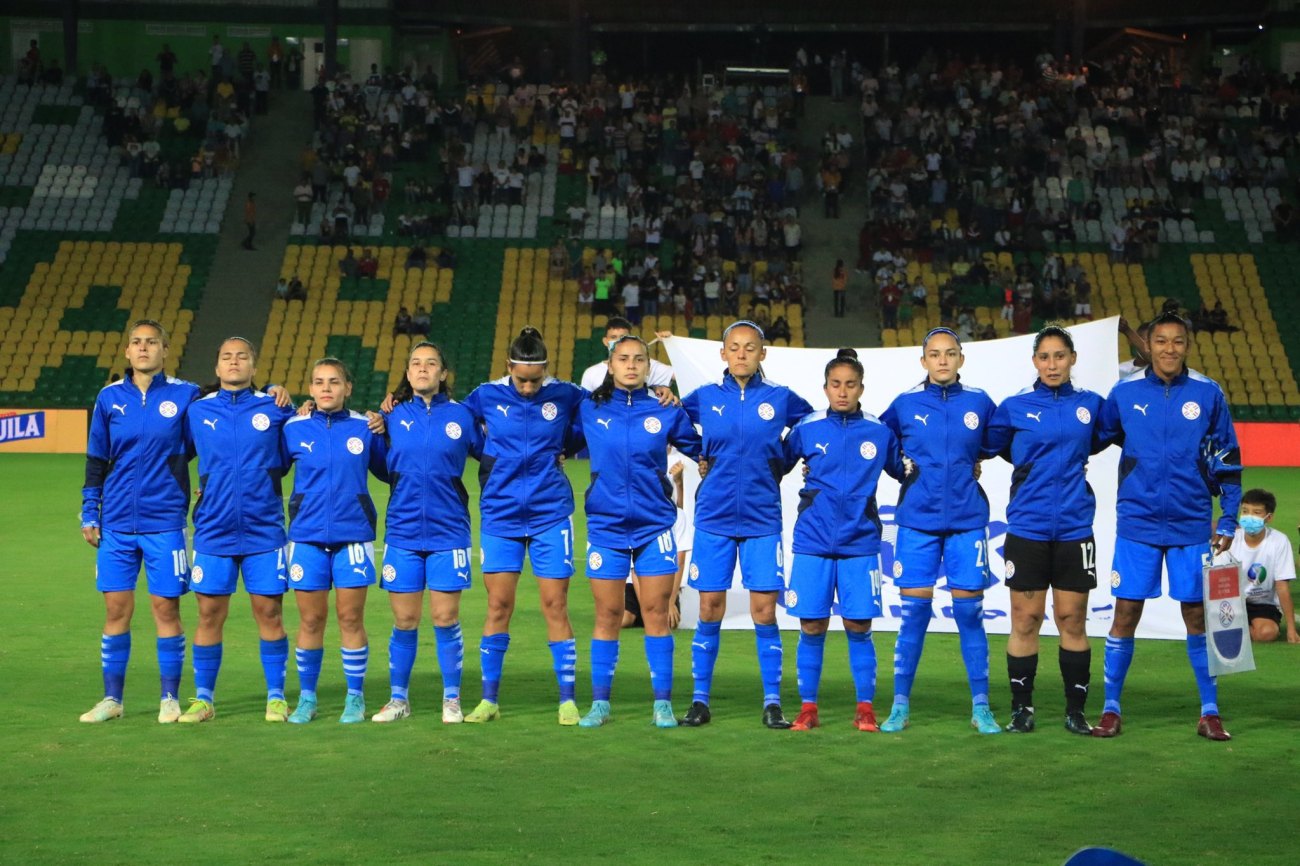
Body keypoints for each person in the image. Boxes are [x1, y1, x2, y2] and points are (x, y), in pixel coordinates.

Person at [1094, 310, 1242, 740]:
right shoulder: (1123, 393)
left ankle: (1210, 711)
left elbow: (1227, 461)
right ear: (1149, 345)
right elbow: (1097, 436)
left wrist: (1229, 517)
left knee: (1197, 614)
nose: (1169, 349)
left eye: (1177, 341)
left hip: (1191, 521)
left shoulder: (1208, 394)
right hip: (1138, 521)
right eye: (1161, 341)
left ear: (1187, 346)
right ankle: (1110, 709)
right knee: (1126, 612)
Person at [679, 320, 815, 728]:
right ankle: (700, 700)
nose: (741, 354)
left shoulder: (780, 397)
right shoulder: (704, 397)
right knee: (708, 606)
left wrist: (783, 460)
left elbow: (812, 425)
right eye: (734, 348)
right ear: (723, 354)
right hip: (714, 518)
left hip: (762, 518)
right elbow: (673, 422)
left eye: (750, 348)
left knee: (763, 611)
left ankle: (772, 702)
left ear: (762, 354)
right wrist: (698, 452)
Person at [984, 325, 1112, 735]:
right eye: (1045, 357)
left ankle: (1076, 712)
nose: (1052, 364)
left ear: (1072, 358)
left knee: (1072, 619)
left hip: (1075, 527)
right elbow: (993, 445)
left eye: (1060, 356)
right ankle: (1022, 709)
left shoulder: (1092, 405)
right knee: (1026, 620)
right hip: (1028, 528)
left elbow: (1105, 438)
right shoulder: (1014, 406)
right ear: (1034, 361)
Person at [457, 328, 587, 725]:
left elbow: (601, 412)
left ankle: (567, 700)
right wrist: (490, 458)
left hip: (551, 512)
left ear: (545, 369)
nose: (529, 388)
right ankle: (489, 700)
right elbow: (454, 424)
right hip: (500, 513)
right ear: (508, 367)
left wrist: (570, 445)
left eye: (535, 379)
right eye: (521, 379)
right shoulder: (484, 395)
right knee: (498, 605)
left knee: (555, 605)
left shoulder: (565, 393)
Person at [572, 334, 702, 728]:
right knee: (608, 614)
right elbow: (556, 439)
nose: (631, 365)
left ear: (649, 367)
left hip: (654, 526)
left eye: (639, 359)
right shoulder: (587, 409)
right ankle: (600, 704)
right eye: (623, 359)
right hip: (606, 527)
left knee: (656, 613)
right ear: (609, 366)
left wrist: (678, 400)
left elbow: (701, 449)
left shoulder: (664, 409)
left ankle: (662, 704)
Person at [878, 327, 1002, 734]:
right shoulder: (905, 404)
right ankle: (899, 706)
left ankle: (981, 706)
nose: (943, 360)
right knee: (913, 616)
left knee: (970, 614)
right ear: (924, 361)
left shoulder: (980, 403)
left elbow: (999, 442)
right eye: (935, 354)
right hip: (917, 522)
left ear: (961, 360)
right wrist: (903, 471)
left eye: (950, 354)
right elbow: (874, 441)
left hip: (967, 521)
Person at [79, 321, 201, 724]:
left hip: (165, 519)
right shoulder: (109, 398)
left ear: (166, 349)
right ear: (127, 352)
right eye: (137, 342)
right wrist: (90, 510)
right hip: (115, 522)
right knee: (116, 610)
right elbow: (97, 459)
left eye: (152, 342)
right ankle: (112, 700)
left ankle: (170, 698)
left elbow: (214, 443)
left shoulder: (186, 395)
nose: (144, 348)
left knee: (165, 609)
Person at [782, 348, 904, 732]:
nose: (843, 391)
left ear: (861, 387)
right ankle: (808, 708)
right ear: (825, 387)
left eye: (850, 384)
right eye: (836, 384)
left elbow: (907, 471)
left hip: (861, 541)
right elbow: (771, 465)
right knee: (812, 626)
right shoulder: (807, 427)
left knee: (857, 625)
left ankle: (865, 709)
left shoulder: (879, 431)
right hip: (813, 541)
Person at [180, 337, 297, 723]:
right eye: (226, 356)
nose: (234, 362)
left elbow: (293, 453)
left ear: (254, 366)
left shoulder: (276, 408)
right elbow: (174, 456)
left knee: (270, 613)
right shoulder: (196, 411)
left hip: (264, 528)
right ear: (216, 368)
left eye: (242, 356)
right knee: (209, 614)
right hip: (214, 528)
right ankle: (203, 700)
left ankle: (276, 697)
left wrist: (287, 396)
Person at [371, 343, 484, 724]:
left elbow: (491, 455)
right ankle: (398, 699)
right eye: (416, 364)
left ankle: (451, 699)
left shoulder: (463, 416)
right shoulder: (391, 417)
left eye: (430, 363)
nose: (422, 369)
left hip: (449, 531)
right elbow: (380, 467)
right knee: (404, 621)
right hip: (401, 531)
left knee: (445, 618)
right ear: (407, 373)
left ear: (443, 373)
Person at [282, 358, 390, 724]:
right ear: (310, 390)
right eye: (318, 382)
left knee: (350, 618)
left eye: (334, 382)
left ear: (348, 388)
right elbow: (267, 468)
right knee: (310, 621)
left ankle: (355, 698)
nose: (326, 388)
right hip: (306, 537)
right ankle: (307, 699)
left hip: (353, 536)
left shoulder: (365, 428)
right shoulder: (293, 428)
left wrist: (385, 427)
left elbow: (392, 470)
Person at [1230, 488, 1298, 644]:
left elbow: (1282, 587)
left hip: (1262, 604)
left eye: (1256, 512)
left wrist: (1291, 630)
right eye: (1245, 511)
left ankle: (1240, 628)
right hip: (1232, 601)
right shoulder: (1230, 540)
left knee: (1267, 633)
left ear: (1269, 517)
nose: (1249, 517)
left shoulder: (1279, 541)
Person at [579, 317, 673, 392]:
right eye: (613, 337)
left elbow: (681, 374)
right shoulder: (591, 373)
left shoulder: (646, 365)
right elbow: (585, 405)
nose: (618, 341)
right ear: (605, 341)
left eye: (623, 337)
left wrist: (672, 344)